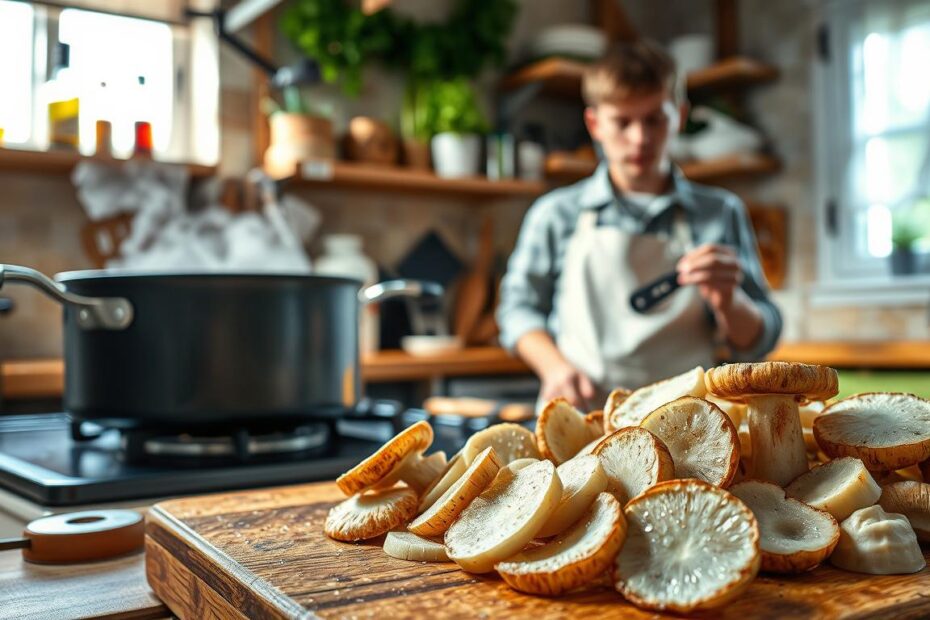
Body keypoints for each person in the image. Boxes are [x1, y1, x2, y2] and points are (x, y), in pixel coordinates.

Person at [496, 39, 782, 412]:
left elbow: (759, 340)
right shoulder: (555, 214)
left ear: (679, 116)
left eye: (654, 119)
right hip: (584, 418)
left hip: (691, 424)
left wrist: (731, 301)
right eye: (623, 122)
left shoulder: (721, 212)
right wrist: (554, 368)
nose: (640, 138)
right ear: (594, 123)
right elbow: (517, 310)